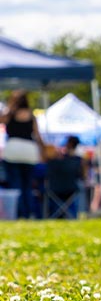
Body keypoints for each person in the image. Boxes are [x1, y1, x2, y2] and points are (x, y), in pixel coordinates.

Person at [0, 90, 44, 219]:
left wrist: (10, 106)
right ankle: (29, 213)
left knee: (15, 184)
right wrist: (43, 152)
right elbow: (38, 136)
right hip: (29, 152)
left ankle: (18, 213)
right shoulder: (31, 115)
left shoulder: (10, 114)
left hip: (13, 151)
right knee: (28, 185)